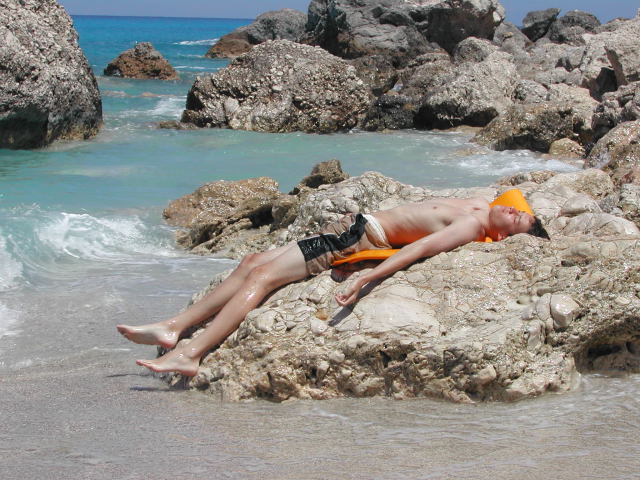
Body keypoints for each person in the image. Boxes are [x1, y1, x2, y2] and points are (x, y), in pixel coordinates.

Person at [117, 197, 549, 376]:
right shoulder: (481, 205)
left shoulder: (472, 225)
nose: (513, 214)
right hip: (352, 228)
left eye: (517, 222)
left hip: (354, 241)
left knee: (262, 278)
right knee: (252, 261)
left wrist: (367, 277)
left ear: (503, 236)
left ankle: (192, 352)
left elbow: (419, 249)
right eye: (518, 211)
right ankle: (174, 327)